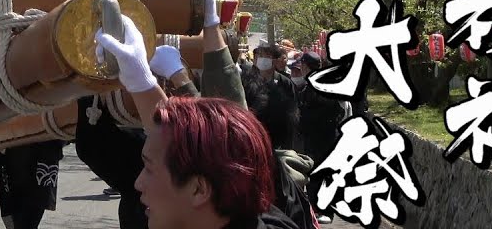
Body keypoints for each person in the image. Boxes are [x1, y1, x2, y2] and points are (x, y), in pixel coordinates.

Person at [96, 12, 303, 229]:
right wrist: (140, 81)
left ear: (198, 189)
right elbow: (220, 142)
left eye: (148, 168)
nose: (138, 183)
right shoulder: (245, 202)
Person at [290, 53, 343, 226]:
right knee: (314, 175)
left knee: (324, 175)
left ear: (307, 66)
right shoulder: (310, 84)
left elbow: (327, 112)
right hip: (312, 137)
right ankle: (316, 208)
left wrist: (303, 118)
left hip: (324, 137)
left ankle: (326, 210)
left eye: (303, 65)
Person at [243, 44, 300, 152]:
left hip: (277, 138)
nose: (263, 59)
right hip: (254, 135)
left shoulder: (285, 83)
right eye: (260, 55)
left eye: (267, 56)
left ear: (274, 61)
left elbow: (292, 113)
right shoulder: (246, 81)